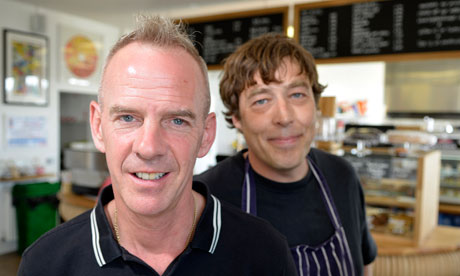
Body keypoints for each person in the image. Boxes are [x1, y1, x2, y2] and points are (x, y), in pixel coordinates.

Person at [18, 16, 297, 276]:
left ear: (206, 135)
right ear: (97, 127)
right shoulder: (45, 264)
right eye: (128, 117)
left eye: (176, 120)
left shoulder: (264, 253)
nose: (149, 147)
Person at [195, 33, 377, 276]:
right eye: (261, 100)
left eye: (297, 95)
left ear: (316, 104)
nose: (284, 116)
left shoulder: (342, 176)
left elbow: (364, 265)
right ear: (237, 118)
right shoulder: (205, 199)